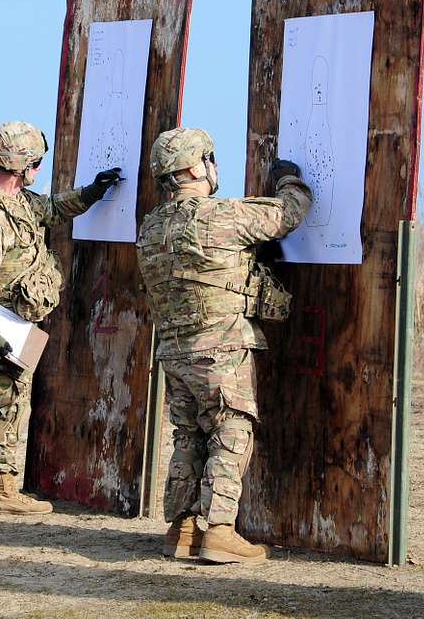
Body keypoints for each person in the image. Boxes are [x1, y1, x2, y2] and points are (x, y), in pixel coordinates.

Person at [135, 127, 312, 563]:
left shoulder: (151, 225)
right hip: (220, 346)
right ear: (195, 167)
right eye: (210, 160)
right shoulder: (221, 215)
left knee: (188, 435)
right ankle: (218, 529)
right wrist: (290, 181)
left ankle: (182, 527)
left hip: (173, 350)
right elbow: (289, 214)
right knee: (231, 430)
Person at [0, 121, 120, 515]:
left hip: (13, 323)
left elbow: (55, 208)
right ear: (25, 165)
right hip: (1, 324)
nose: (39, 170)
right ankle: (1, 491)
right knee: (6, 404)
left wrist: (93, 193)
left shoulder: (20, 204)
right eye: (36, 163)